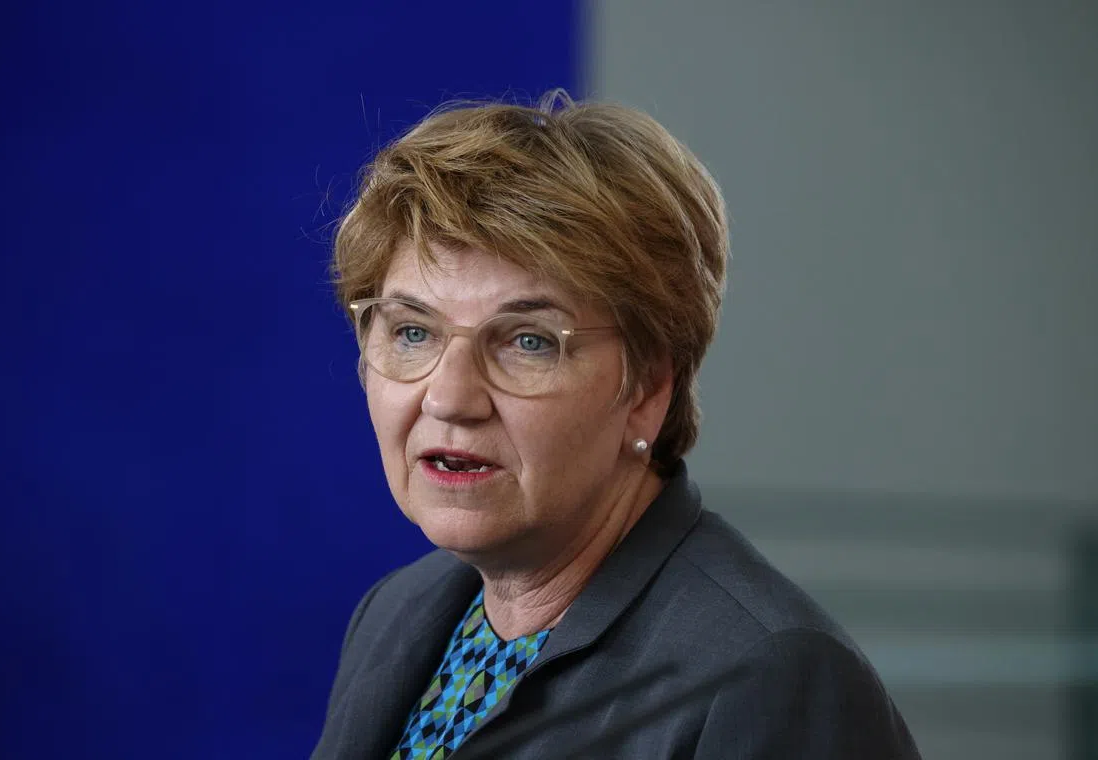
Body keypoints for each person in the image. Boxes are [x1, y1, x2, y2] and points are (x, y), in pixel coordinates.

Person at [309, 91, 920, 760]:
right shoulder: (399, 612)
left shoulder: (766, 676)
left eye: (528, 342)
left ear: (649, 387)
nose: (451, 398)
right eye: (413, 331)